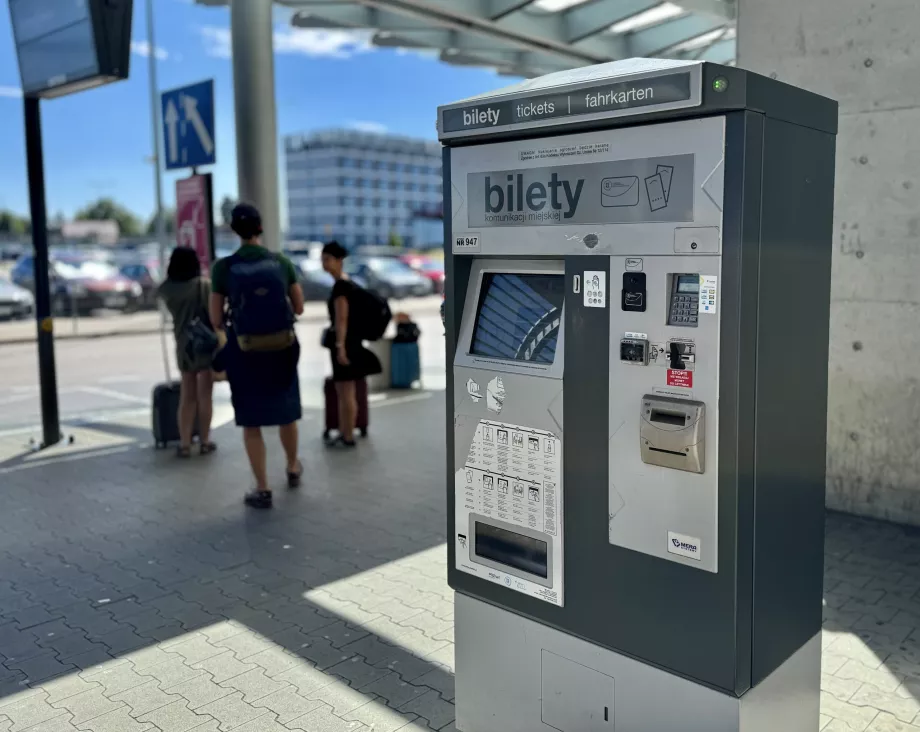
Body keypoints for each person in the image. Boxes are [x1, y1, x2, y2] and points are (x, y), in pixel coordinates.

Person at [210, 203, 305, 509]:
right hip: (282, 350)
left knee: (252, 421)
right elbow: (300, 307)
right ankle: (292, 467)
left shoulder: (223, 268)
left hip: (246, 352)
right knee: (286, 413)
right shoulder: (281, 262)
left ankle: (262, 488)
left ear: (234, 230)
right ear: (260, 228)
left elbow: (215, 317)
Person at [156, 247, 216, 458]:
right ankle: (206, 441)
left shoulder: (167, 290)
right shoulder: (203, 286)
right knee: (205, 394)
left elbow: (160, 289)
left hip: (183, 344)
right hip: (204, 343)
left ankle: (184, 443)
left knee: (187, 395)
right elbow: (214, 314)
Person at [321, 241, 381, 447]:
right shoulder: (350, 283)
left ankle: (347, 436)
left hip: (345, 345)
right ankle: (347, 433)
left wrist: (340, 348)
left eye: (328, 259)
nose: (324, 264)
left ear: (339, 261)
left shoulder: (340, 287)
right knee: (349, 391)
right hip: (353, 343)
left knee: (345, 392)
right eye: (323, 260)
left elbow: (341, 320)